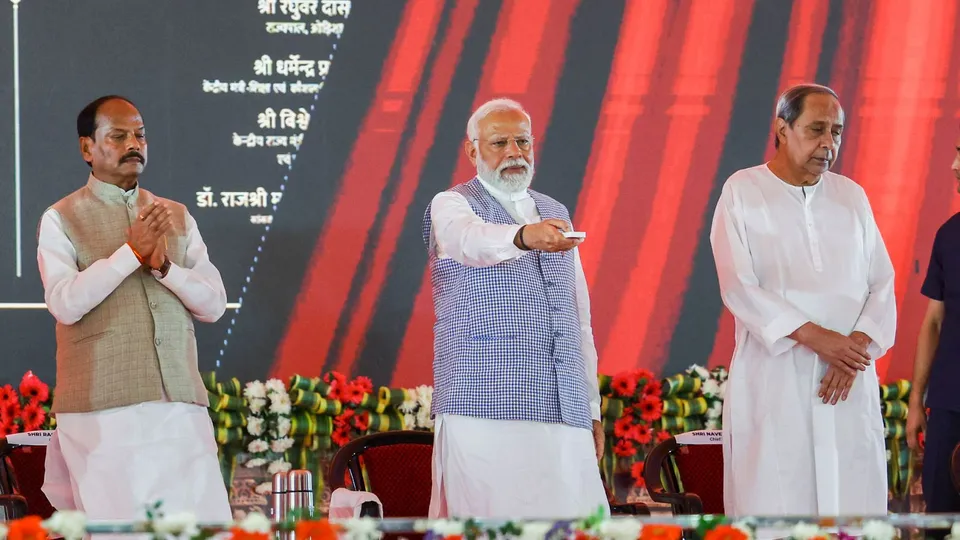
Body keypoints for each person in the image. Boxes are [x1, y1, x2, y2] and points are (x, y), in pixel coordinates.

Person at [37, 95, 232, 524]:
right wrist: (130, 253)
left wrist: (163, 265)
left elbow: (214, 304)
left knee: (203, 528)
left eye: (140, 135)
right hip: (103, 411)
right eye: (118, 135)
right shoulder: (61, 217)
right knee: (124, 531)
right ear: (88, 148)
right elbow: (65, 303)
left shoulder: (176, 216)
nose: (134, 144)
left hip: (180, 407)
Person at [709, 83, 896, 520]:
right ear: (782, 129)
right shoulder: (742, 191)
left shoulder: (851, 196)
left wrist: (854, 351)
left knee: (852, 500)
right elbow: (739, 286)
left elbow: (882, 283)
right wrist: (817, 338)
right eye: (816, 130)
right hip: (777, 377)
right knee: (778, 495)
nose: (828, 144)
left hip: (848, 377)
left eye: (837, 131)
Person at [422, 98, 608, 519]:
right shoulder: (452, 205)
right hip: (483, 404)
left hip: (564, 405)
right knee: (495, 524)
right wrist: (525, 237)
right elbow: (468, 241)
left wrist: (591, 407)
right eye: (499, 142)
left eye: (522, 142)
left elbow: (579, 321)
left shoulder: (556, 213)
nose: (513, 152)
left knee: (576, 523)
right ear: (473, 151)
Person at [907, 130, 960, 526]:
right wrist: (915, 401)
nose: (955, 166)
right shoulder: (948, 234)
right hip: (948, 403)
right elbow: (933, 322)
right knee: (940, 521)